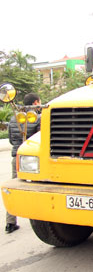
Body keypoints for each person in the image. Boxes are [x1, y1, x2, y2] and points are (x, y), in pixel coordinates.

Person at [6, 93, 41, 234]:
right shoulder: (38, 119)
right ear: (35, 103)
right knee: (38, 188)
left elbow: (10, 139)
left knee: (14, 187)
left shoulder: (13, 119)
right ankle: (41, 219)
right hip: (34, 160)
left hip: (17, 156)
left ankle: (10, 222)